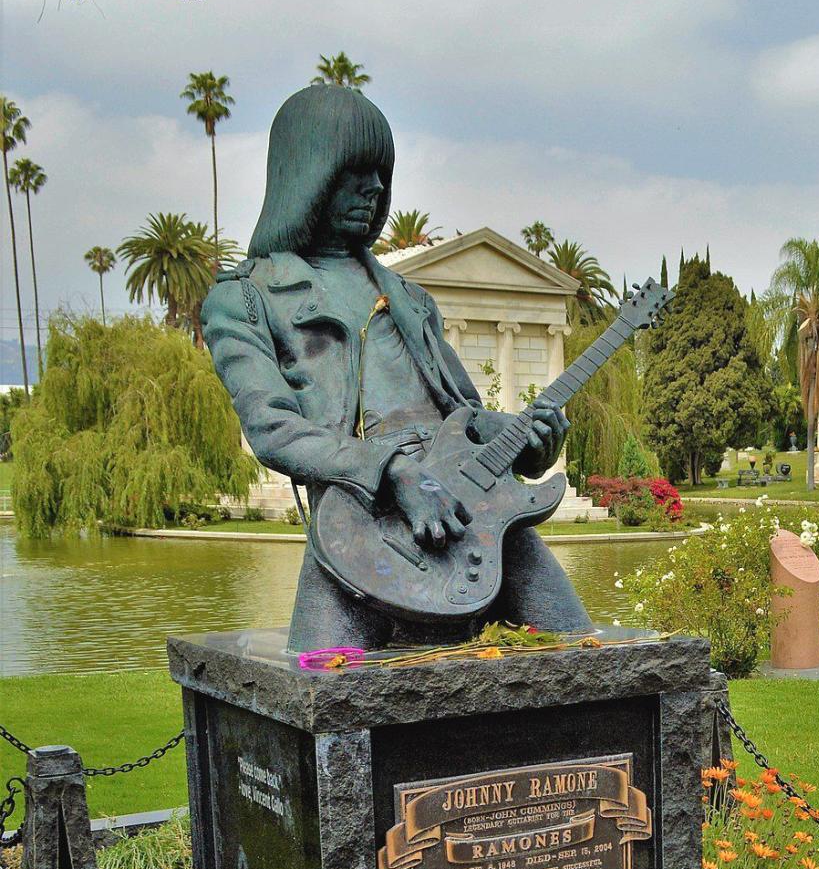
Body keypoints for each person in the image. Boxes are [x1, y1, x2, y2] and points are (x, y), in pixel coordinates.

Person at [202, 85, 590, 651]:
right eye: (356, 172)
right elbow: (272, 429)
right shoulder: (247, 298)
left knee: (588, 659)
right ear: (306, 174)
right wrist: (392, 473)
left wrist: (528, 442)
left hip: (468, 514)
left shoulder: (411, 299)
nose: (376, 189)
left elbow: (465, 416)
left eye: (382, 173)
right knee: (322, 704)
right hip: (358, 526)